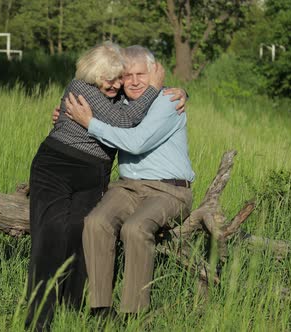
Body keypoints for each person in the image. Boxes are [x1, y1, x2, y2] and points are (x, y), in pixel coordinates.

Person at [26, 41, 186, 331]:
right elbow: (125, 120)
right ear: (94, 74)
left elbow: (133, 125)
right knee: (57, 233)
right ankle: (44, 319)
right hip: (63, 168)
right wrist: (77, 118)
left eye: (119, 78)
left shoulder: (143, 100)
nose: (116, 84)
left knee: (85, 231)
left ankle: (81, 310)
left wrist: (180, 90)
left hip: (106, 177)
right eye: (112, 78)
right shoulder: (88, 90)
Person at [63, 45, 195, 320]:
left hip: (169, 190)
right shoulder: (120, 104)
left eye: (140, 74)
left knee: (135, 228)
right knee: (96, 222)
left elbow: (135, 144)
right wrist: (66, 116)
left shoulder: (168, 101)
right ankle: (100, 308)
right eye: (127, 75)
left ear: (155, 73)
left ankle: (133, 313)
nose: (133, 81)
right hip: (127, 186)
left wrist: (89, 124)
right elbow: (83, 107)